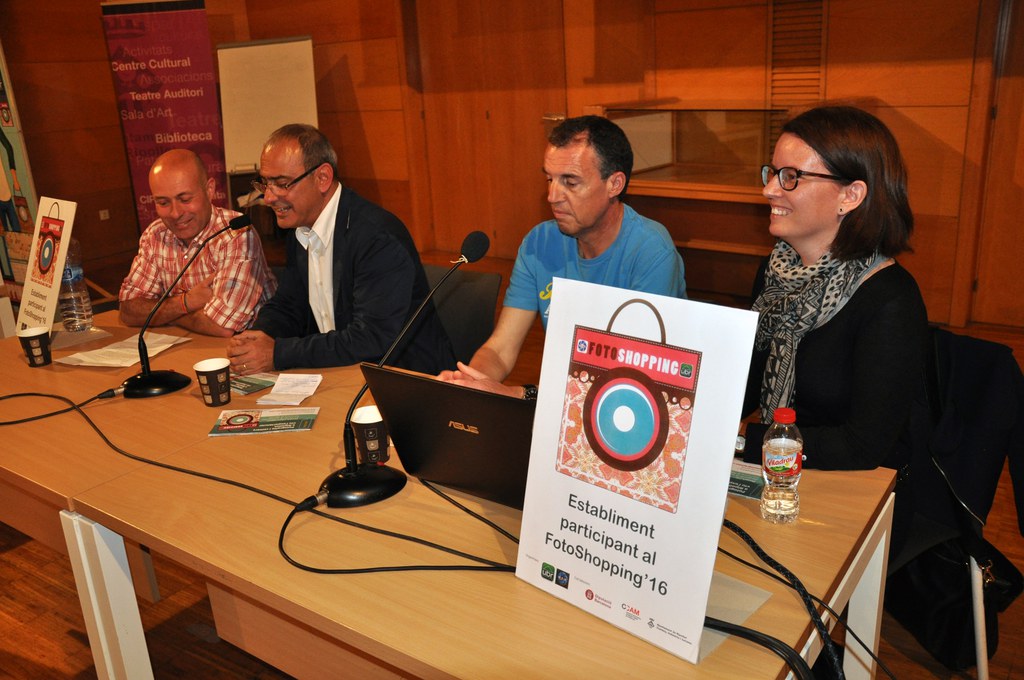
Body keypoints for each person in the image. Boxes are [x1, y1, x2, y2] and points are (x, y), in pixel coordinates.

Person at [739, 105, 929, 479]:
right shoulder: (776, 272)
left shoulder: (890, 299)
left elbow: (864, 446)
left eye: (791, 177)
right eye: (773, 173)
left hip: (859, 483)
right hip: (783, 461)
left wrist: (748, 442)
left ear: (851, 196)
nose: (769, 190)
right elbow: (747, 381)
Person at [439, 115, 687, 397]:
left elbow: (628, 379)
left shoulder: (651, 251)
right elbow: (500, 349)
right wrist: (470, 382)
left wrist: (520, 394)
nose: (552, 196)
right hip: (566, 397)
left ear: (615, 184)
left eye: (570, 182)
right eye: (549, 179)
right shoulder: (539, 242)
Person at [228, 124, 454, 375]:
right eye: (265, 184)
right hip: (342, 372)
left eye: (281, 184)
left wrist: (278, 353)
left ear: (322, 178)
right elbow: (289, 305)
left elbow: (370, 338)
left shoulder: (377, 237)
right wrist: (258, 336)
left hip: (405, 380)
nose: (269, 197)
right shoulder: (300, 229)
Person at [119, 149, 277, 337]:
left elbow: (222, 327)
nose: (175, 213)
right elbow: (128, 310)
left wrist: (161, 312)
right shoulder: (156, 234)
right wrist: (186, 302)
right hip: (189, 343)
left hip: (246, 346)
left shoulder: (236, 233)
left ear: (209, 190)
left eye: (185, 199)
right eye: (163, 203)